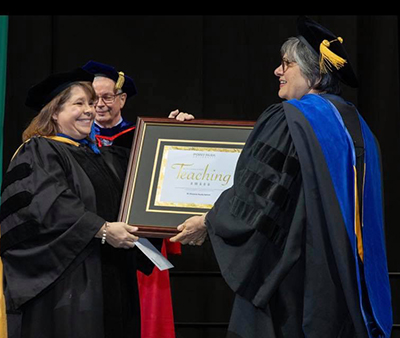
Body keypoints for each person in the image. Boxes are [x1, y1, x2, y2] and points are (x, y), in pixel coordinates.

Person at [170, 16, 392, 338]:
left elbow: (257, 193)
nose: (278, 71)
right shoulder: (359, 128)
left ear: (313, 72)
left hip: (288, 280)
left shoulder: (291, 119)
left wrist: (209, 221)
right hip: (344, 283)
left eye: (286, 64)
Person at [0, 68, 154, 338]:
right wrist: (103, 230)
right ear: (54, 112)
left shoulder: (102, 157)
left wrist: (175, 134)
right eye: (79, 103)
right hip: (67, 284)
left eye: (91, 104)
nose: (90, 111)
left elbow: (139, 194)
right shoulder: (40, 150)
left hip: (113, 277)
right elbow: (49, 204)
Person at [81, 60, 194, 338]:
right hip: (93, 236)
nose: (99, 104)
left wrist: (177, 135)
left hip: (139, 238)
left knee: (142, 314)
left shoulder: (142, 136)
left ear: (121, 99)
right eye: (93, 98)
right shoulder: (76, 138)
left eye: (107, 97)